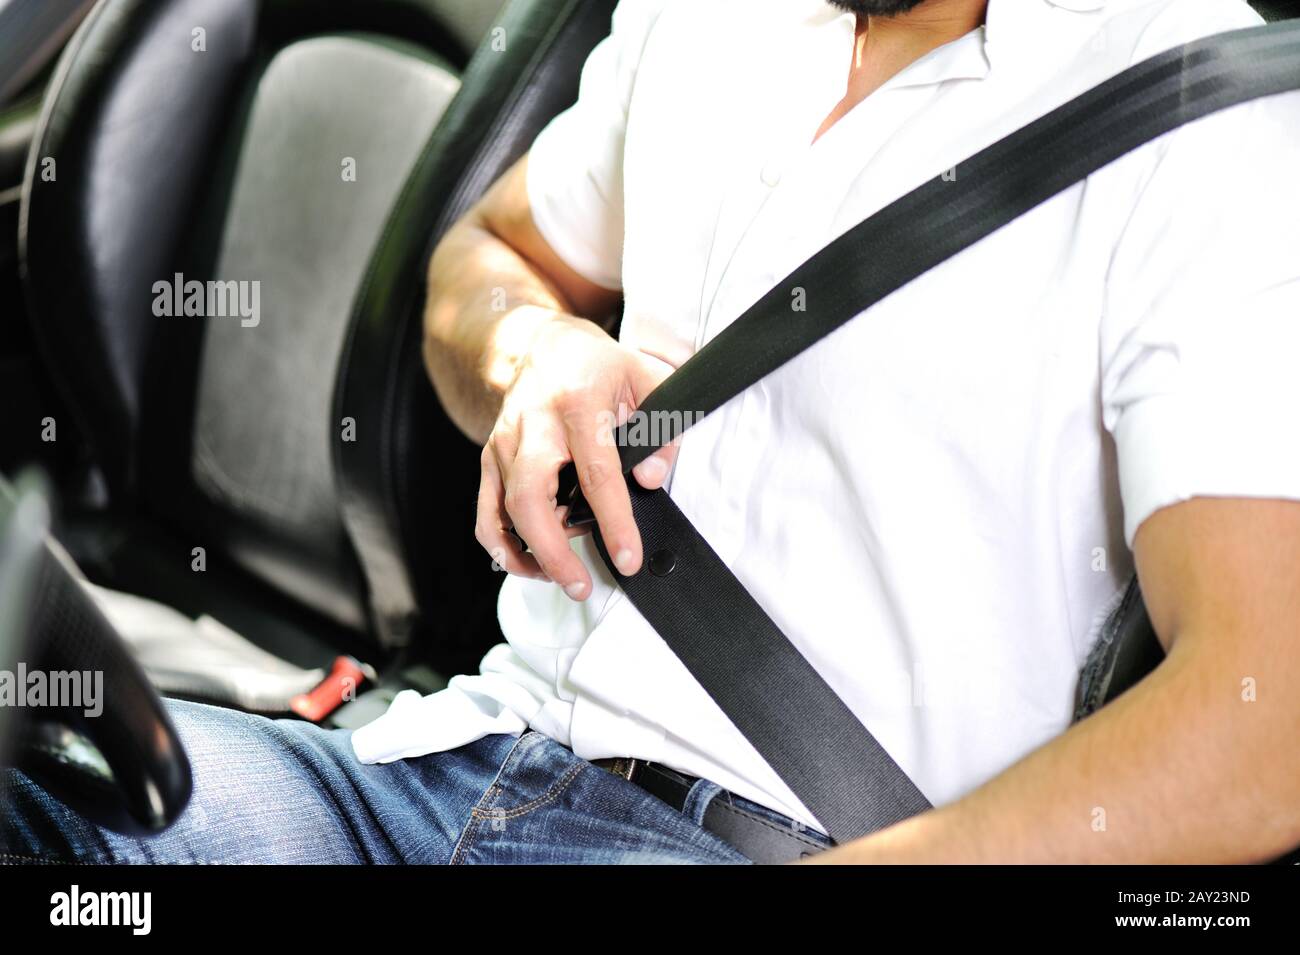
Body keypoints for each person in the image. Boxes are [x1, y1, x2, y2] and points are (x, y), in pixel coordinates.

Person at [4, 0, 1299, 864]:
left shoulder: (1204, 117)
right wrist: (534, 352)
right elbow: (490, 254)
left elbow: (1263, 721)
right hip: (436, 766)